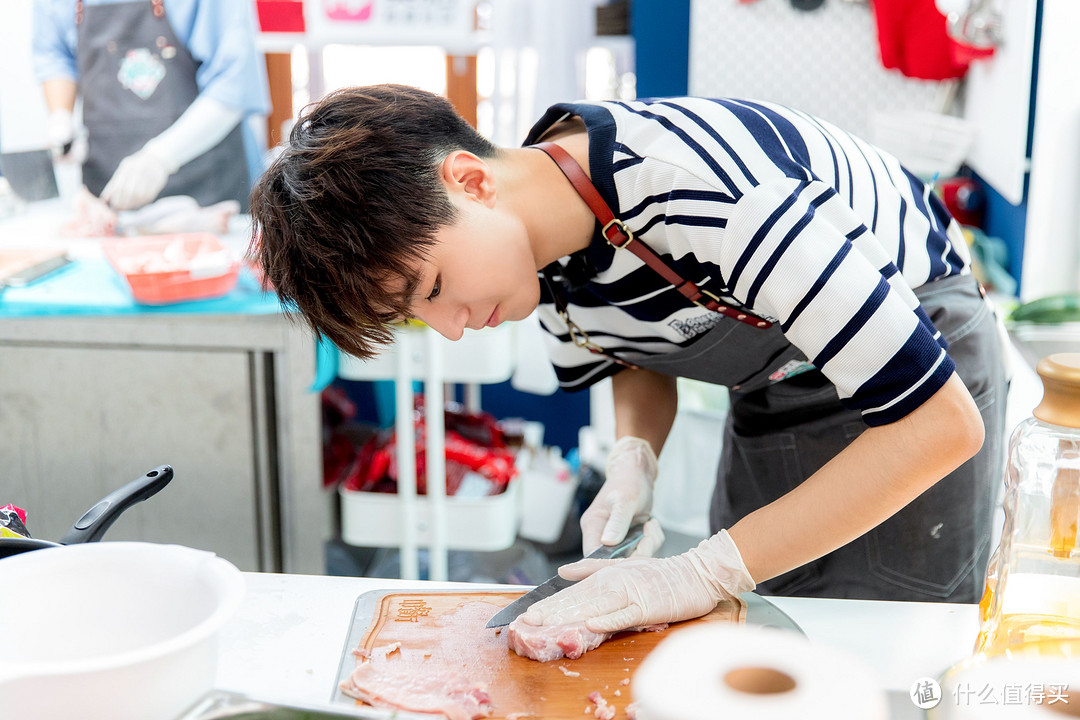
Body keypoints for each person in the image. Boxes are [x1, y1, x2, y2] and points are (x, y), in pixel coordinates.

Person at [250, 85, 1007, 633]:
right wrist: (633, 453)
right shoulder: (530, 253)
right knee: (757, 640)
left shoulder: (708, 191)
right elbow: (631, 353)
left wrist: (700, 570)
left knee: (884, 656)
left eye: (436, 288)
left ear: (471, 181)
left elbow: (939, 428)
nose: (448, 328)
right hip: (775, 390)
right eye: (417, 315)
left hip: (922, 381)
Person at [32, 0, 269, 211]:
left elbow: (233, 82)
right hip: (107, 198)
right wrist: (60, 117)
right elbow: (54, 55)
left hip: (207, 191)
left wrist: (160, 157)